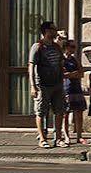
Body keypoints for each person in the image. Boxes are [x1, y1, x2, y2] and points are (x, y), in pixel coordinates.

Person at [27, 20, 66, 148]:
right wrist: (33, 86)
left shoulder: (56, 47)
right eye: (54, 29)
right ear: (47, 31)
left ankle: (58, 138)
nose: (56, 31)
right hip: (43, 84)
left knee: (59, 111)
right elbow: (31, 66)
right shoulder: (38, 46)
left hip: (57, 84)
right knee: (41, 112)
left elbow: (61, 63)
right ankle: (42, 139)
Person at [60, 36, 87, 145]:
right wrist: (72, 74)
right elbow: (61, 74)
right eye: (72, 47)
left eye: (74, 47)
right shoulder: (61, 59)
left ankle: (79, 136)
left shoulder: (74, 59)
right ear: (66, 47)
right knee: (65, 114)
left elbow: (81, 73)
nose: (74, 49)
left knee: (79, 112)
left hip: (76, 88)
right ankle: (66, 136)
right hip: (66, 89)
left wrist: (73, 74)